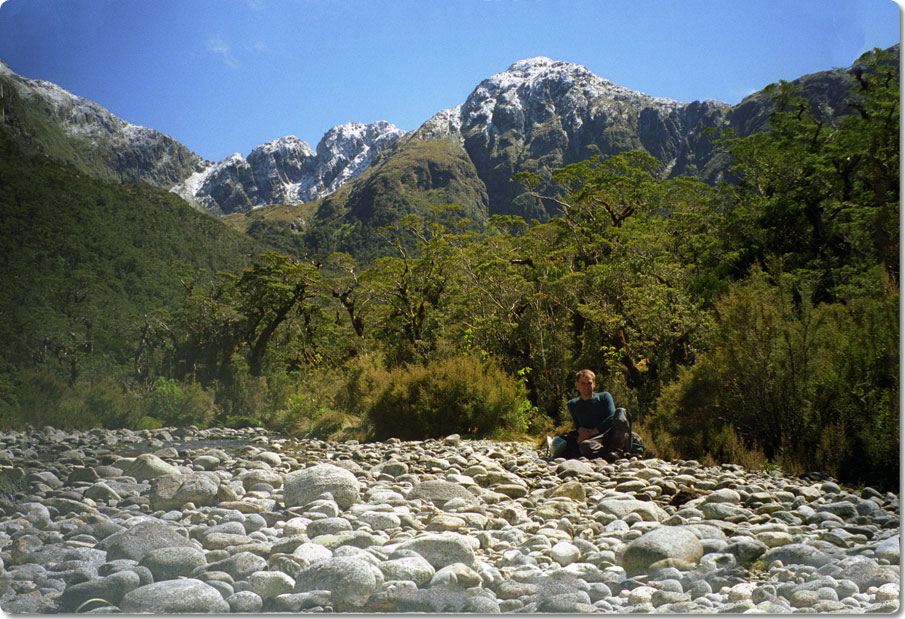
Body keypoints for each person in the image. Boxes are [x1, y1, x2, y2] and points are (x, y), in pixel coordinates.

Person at [550, 369, 623, 459]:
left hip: (608, 434)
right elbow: (578, 425)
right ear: (577, 385)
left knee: (621, 412)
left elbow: (612, 417)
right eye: (583, 383)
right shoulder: (572, 404)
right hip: (592, 441)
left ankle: (616, 451)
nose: (586, 386)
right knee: (584, 446)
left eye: (589, 383)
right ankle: (608, 454)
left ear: (594, 384)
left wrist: (593, 432)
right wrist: (581, 433)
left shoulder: (604, 397)